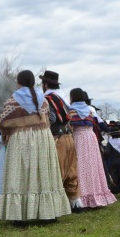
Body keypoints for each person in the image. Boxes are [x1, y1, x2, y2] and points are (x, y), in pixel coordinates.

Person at [0, 70, 71, 223]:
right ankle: (47, 213)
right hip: (42, 137)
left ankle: (20, 215)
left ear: (19, 82)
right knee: (42, 172)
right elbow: (48, 119)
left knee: (21, 173)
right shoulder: (41, 98)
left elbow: (4, 121)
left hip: (21, 138)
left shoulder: (14, 99)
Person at [41, 70, 82, 210]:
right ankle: (75, 204)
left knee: (56, 172)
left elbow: (51, 118)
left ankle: (56, 206)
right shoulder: (62, 97)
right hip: (69, 136)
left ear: (45, 84)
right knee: (71, 171)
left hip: (57, 139)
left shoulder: (47, 99)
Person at [68, 88, 117, 208]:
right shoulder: (89, 109)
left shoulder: (72, 110)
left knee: (79, 166)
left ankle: (82, 197)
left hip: (79, 138)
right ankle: (95, 194)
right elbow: (100, 124)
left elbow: (70, 126)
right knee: (92, 166)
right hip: (90, 138)